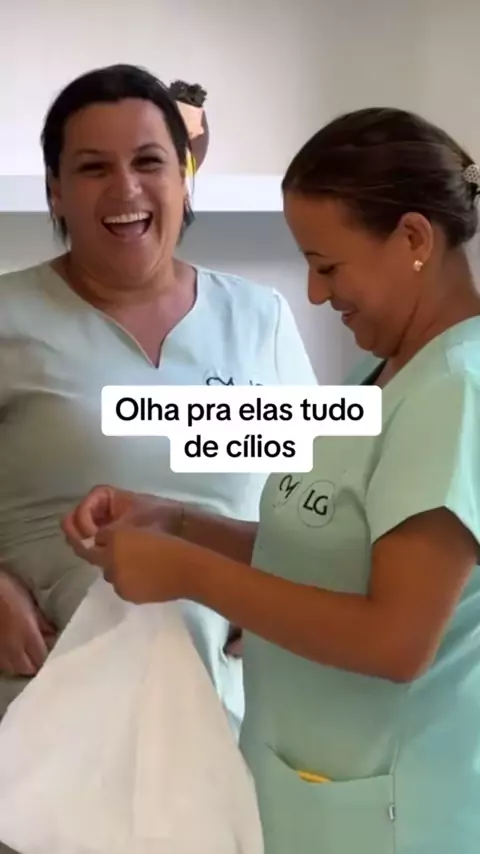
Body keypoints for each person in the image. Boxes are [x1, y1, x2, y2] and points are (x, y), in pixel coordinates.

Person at [65, 107, 480, 854]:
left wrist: (186, 571)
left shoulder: (456, 388)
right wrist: (178, 521)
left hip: (396, 813)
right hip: (312, 794)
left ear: (415, 239)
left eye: (327, 265)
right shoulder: (384, 373)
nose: (315, 293)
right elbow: (326, 554)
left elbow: (396, 639)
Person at [0, 62, 317, 746]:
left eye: (149, 162)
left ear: (183, 176)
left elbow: (323, 509)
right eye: (93, 168)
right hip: (44, 739)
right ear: (55, 190)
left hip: (235, 730)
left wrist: (283, 596)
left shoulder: (259, 318)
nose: (126, 189)